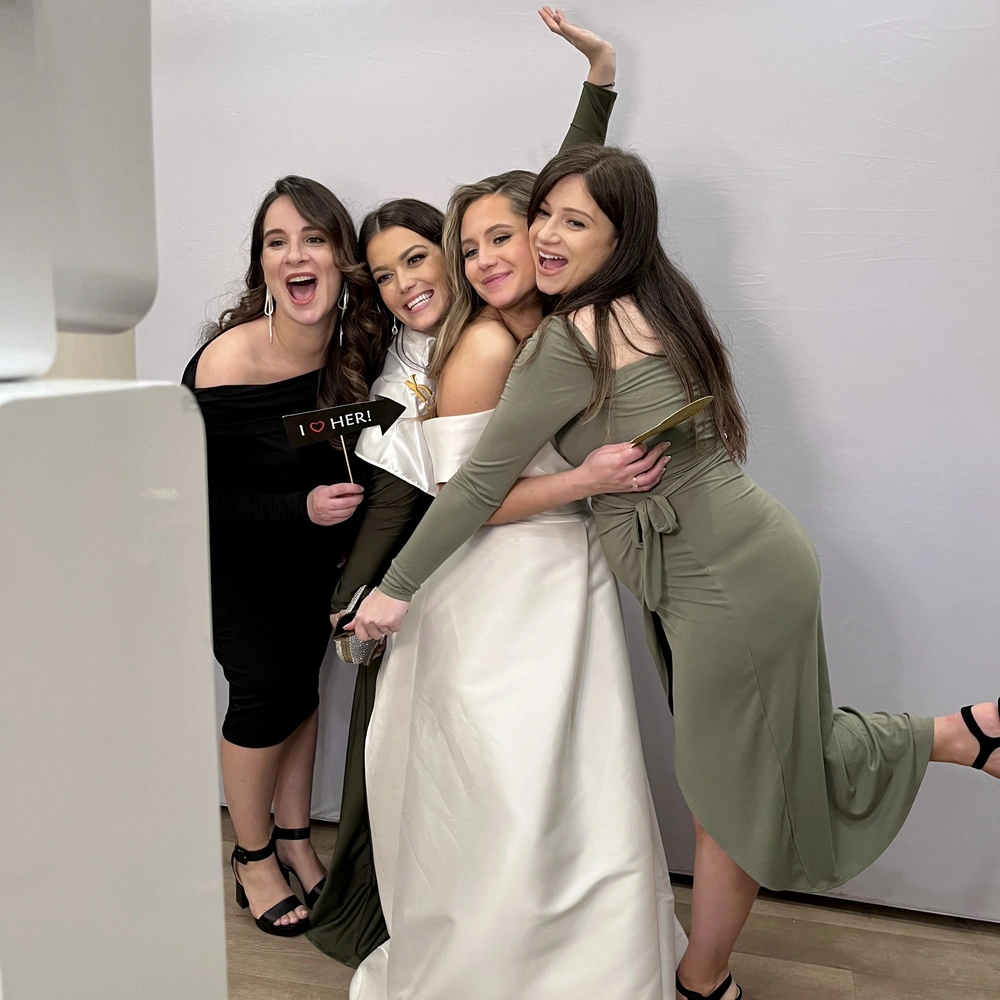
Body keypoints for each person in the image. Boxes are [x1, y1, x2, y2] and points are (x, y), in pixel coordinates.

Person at [349, 143, 1000, 1000]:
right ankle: (965, 735)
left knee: (726, 795)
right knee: (753, 761)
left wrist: (394, 589)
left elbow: (475, 486)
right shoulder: (647, 298)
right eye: (540, 217)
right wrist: (598, 89)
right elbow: (583, 189)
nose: (544, 236)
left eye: (570, 223)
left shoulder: (570, 340)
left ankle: (703, 982)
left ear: (618, 237)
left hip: (724, 580)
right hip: (740, 565)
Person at [305, 6, 669, 970]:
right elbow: (463, 498)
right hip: (487, 571)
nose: (489, 259)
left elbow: (559, 193)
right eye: (470, 249)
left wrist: (600, 81)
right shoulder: (470, 350)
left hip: (557, 573)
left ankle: (592, 953)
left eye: (496, 240)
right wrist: (586, 479)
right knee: (512, 787)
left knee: (577, 782)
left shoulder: (554, 301)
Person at [181, 175, 422, 936]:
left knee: (303, 693)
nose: (296, 255)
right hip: (240, 562)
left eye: (314, 239)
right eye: (276, 242)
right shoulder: (227, 363)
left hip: (313, 566)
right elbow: (185, 495)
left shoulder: (355, 351)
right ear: (261, 266)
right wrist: (300, 509)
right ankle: (251, 855)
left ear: (341, 259)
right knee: (265, 697)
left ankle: (293, 838)